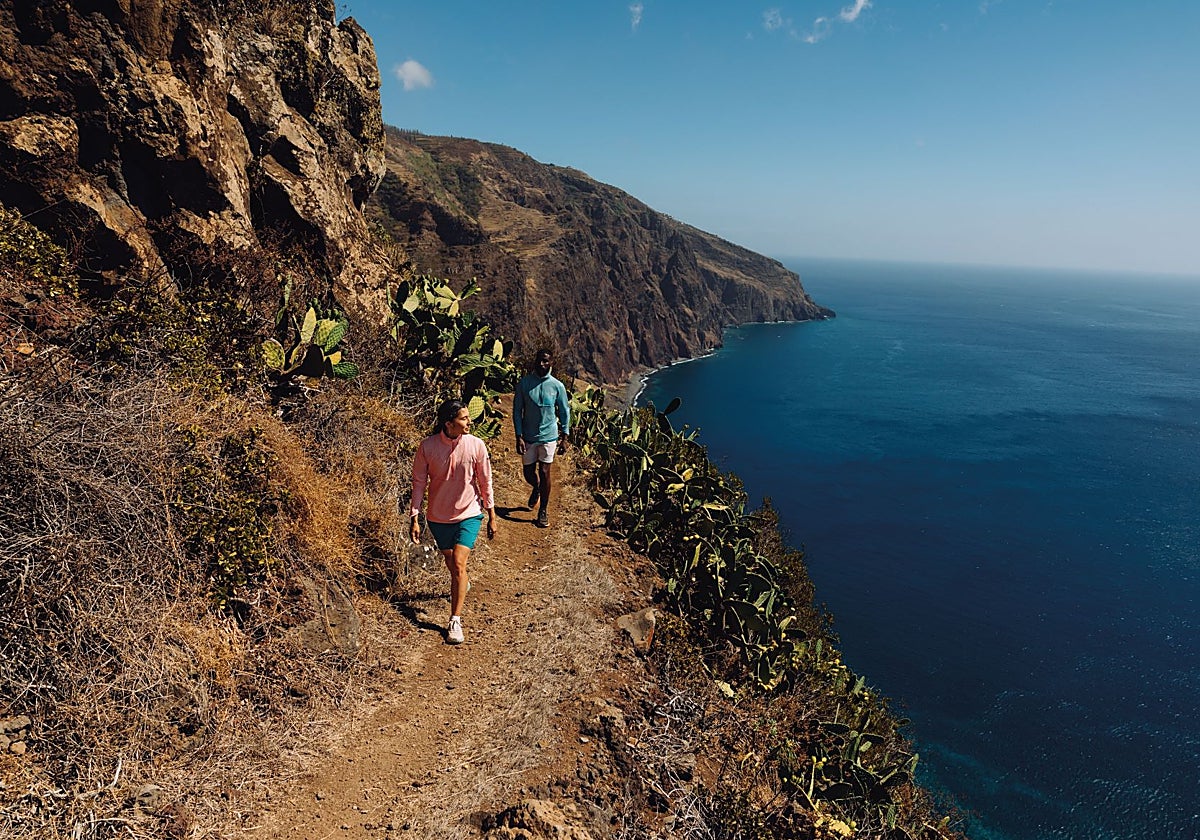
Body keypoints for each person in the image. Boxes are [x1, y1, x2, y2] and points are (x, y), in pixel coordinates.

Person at [409, 399, 497, 644]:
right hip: (438, 517)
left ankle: (455, 620)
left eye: (469, 417)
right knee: (451, 561)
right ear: (449, 423)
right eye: (464, 418)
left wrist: (491, 514)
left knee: (458, 563)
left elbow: (485, 481)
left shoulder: (477, 446)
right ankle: (462, 583)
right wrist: (414, 517)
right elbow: (418, 483)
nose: (469, 421)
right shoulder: (427, 447)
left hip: (470, 513)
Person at [513, 349, 570, 528]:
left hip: (549, 436)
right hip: (528, 437)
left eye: (545, 361)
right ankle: (536, 487)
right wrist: (518, 436)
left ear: (551, 362)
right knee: (528, 473)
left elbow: (564, 411)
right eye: (539, 360)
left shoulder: (557, 386)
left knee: (545, 471)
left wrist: (565, 436)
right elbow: (517, 411)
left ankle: (543, 510)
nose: (542, 364)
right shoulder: (524, 384)